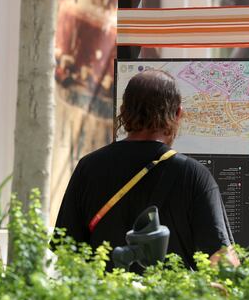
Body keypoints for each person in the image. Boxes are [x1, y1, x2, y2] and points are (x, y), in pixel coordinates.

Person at [54, 69, 237, 270]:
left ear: (123, 111)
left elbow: (65, 250)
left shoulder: (88, 167)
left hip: (104, 298)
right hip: (167, 299)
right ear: (178, 114)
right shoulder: (193, 175)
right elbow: (223, 261)